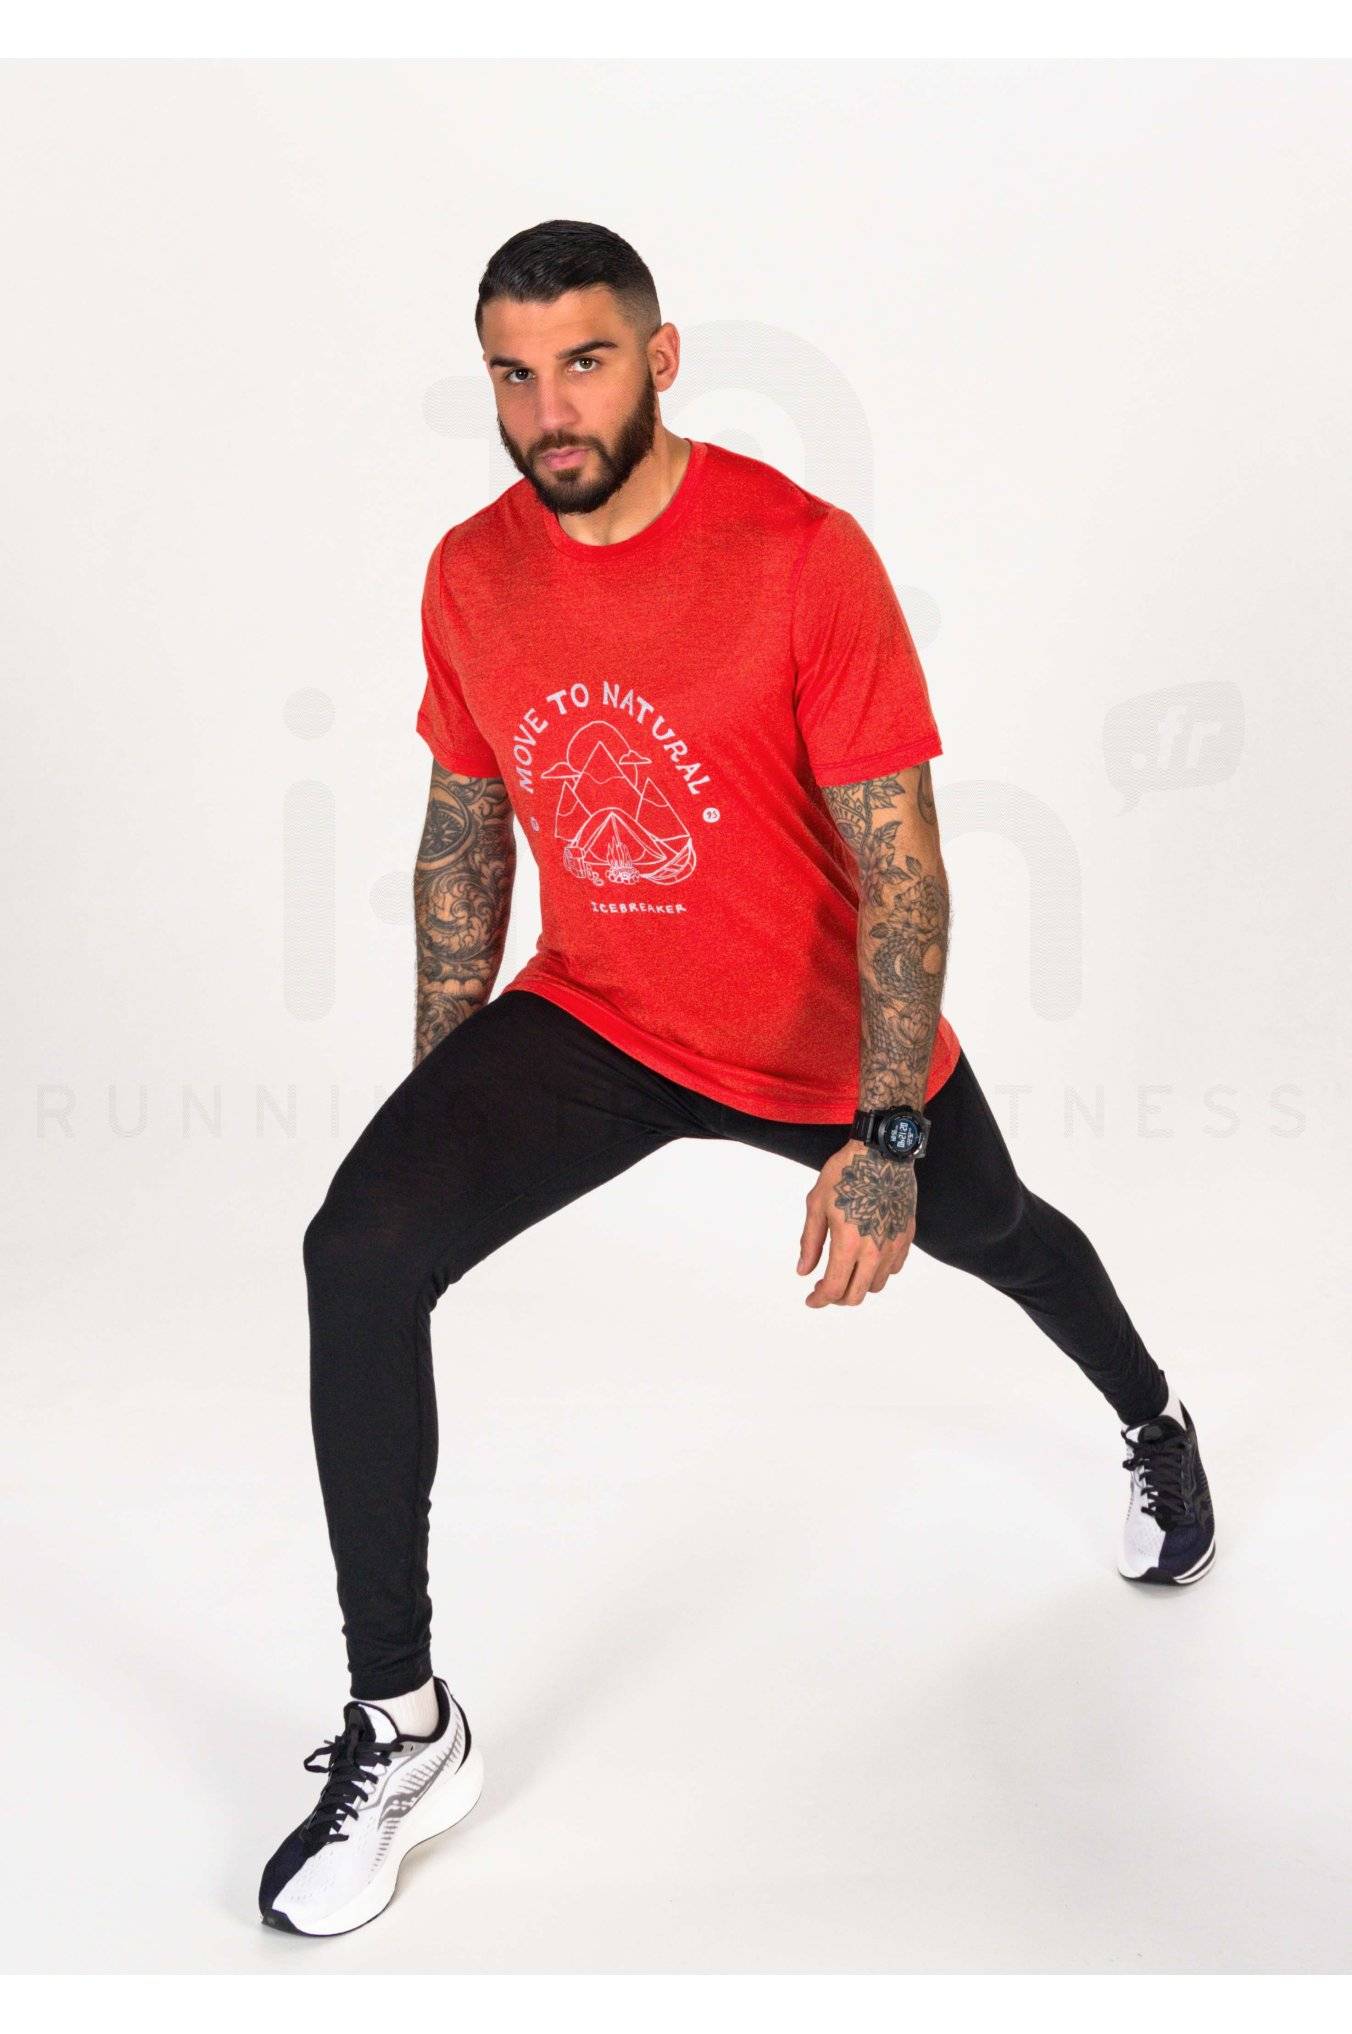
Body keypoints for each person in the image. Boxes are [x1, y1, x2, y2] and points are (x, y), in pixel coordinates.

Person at [258, 219, 1216, 1937]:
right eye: (511, 374)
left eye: (584, 363)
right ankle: (402, 1722)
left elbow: (905, 863)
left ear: (662, 357)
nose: (548, 410)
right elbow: (465, 833)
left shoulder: (798, 553)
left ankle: (1151, 1416)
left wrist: (890, 1131)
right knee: (359, 1248)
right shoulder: (471, 572)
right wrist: (439, 1101)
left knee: (1007, 1233)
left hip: (822, 1040)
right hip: (602, 1019)